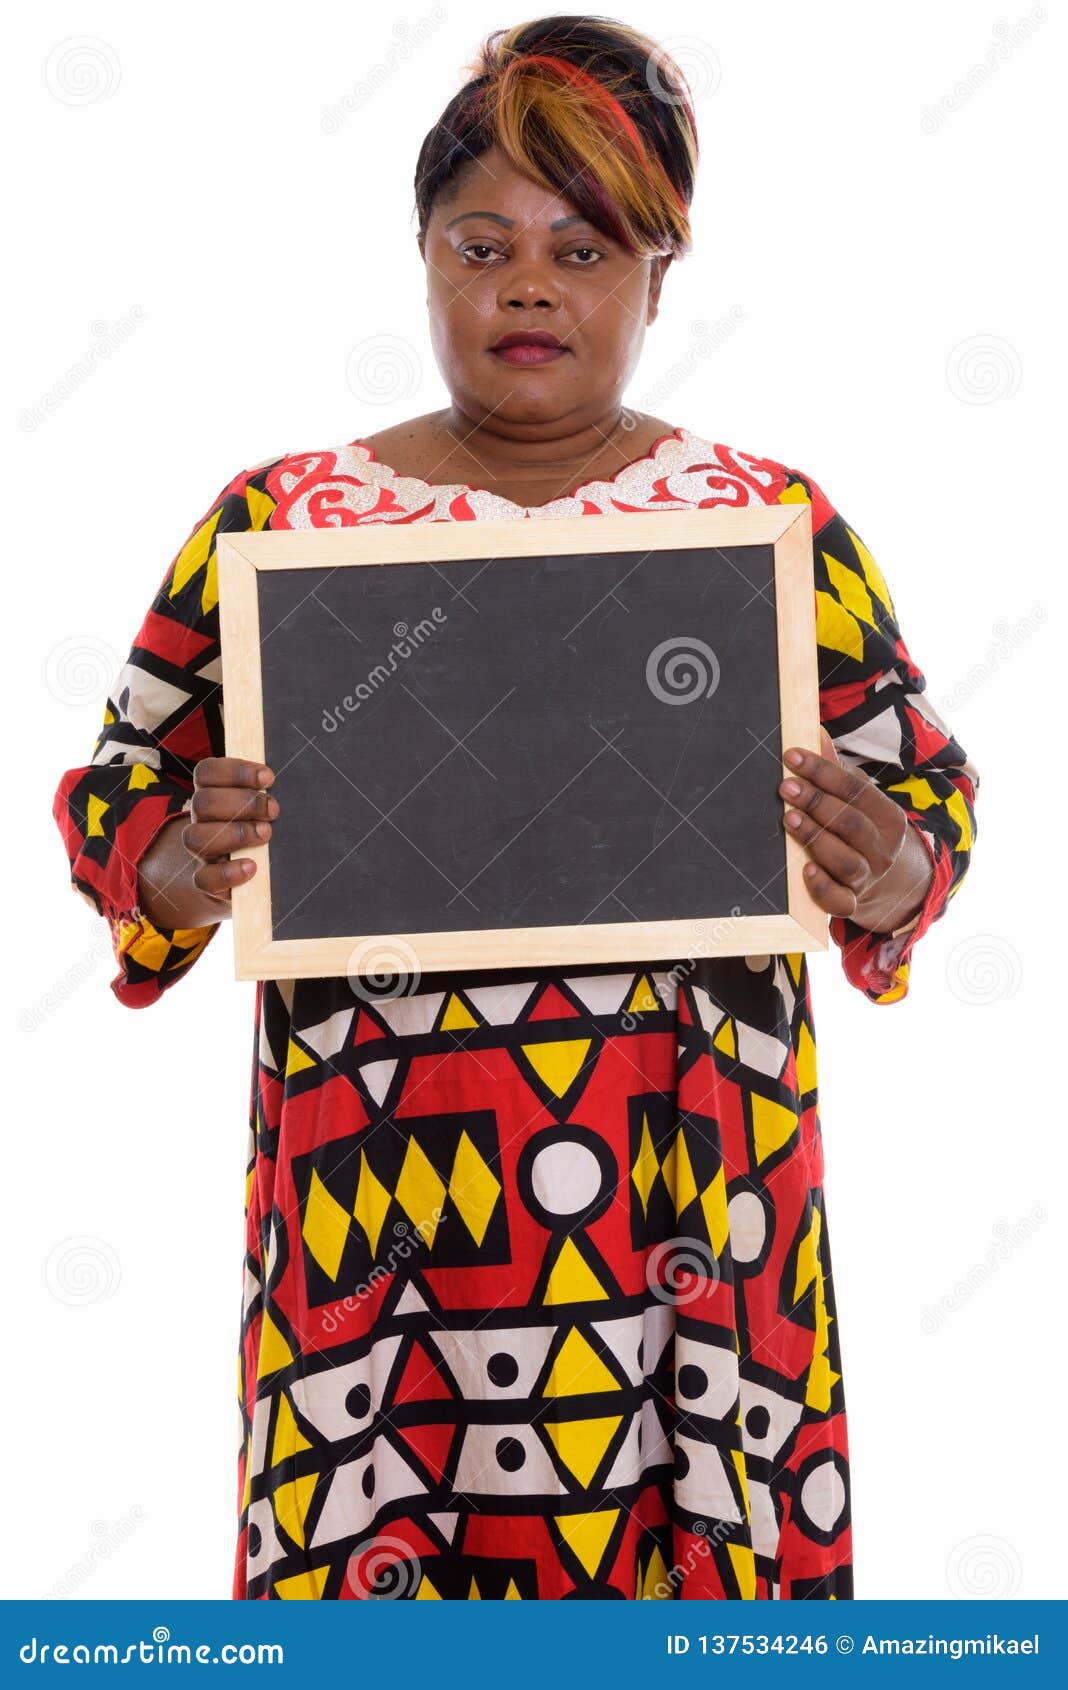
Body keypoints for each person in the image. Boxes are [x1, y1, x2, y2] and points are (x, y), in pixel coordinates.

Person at [52, 16, 979, 1601]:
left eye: (585, 248)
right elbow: (117, 792)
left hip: (696, 1214)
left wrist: (889, 866)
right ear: (422, 257)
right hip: (378, 1228)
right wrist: (181, 865)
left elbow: (927, 798)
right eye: (484, 244)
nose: (530, 285)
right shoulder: (285, 526)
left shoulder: (766, 527)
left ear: (658, 278)